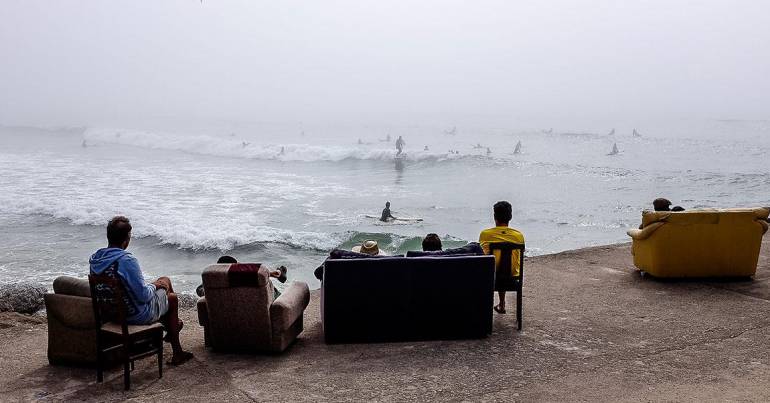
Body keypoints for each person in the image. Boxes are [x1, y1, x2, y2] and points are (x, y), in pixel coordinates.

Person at [89, 216, 193, 365]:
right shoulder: (126, 260)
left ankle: (171, 327)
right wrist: (156, 285)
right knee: (171, 297)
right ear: (126, 239)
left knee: (164, 282)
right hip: (134, 315)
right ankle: (176, 348)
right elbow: (143, 296)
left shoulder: (96, 259)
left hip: (112, 314)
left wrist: (155, 285)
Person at [478, 201, 525, 315]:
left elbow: (482, 255)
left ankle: (486, 311)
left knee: (495, 267)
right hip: (512, 276)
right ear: (510, 217)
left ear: (494, 216)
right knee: (504, 268)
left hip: (491, 277)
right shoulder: (518, 236)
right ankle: (502, 303)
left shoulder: (485, 234)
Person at [196, 255, 286, 298]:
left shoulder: (212, 287)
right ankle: (278, 273)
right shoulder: (248, 281)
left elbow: (200, 291)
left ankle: (277, 273)